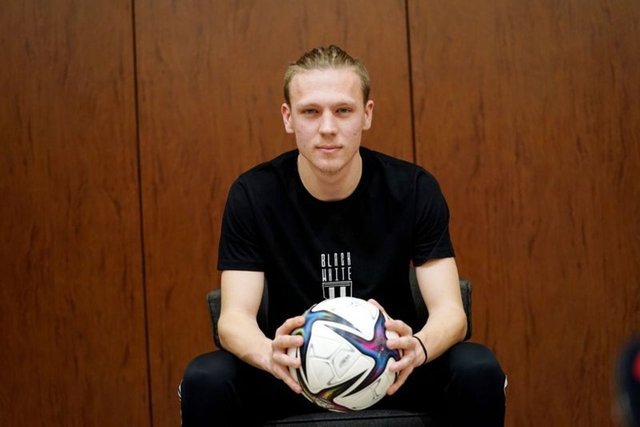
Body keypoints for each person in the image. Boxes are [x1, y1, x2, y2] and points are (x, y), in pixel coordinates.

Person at [179, 45, 506, 426]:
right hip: (291, 376)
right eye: (310, 112)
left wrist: (417, 346)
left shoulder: (413, 188)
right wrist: (269, 353)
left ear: (367, 114)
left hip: (393, 372)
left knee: (477, 367)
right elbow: (234, 318)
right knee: (206, 377)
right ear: (288, 117)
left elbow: (451, 311)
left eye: (343, 110)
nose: (328, 127)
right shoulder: (253, 194)